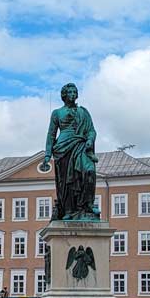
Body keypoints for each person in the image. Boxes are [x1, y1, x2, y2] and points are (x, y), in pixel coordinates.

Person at [40, 82, 100, 221]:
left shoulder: (83, 112)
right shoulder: (57, 113)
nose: (73, 94)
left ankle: (87, 205)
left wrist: (90, 140)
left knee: (89, 171)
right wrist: (48, 154)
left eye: (74, 92)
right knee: (67, 182)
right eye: (70, 92)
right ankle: (69, 210)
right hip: (63, 148)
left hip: (81, 145)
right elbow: (51, 134)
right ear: (64, 95)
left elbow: (91, 130)